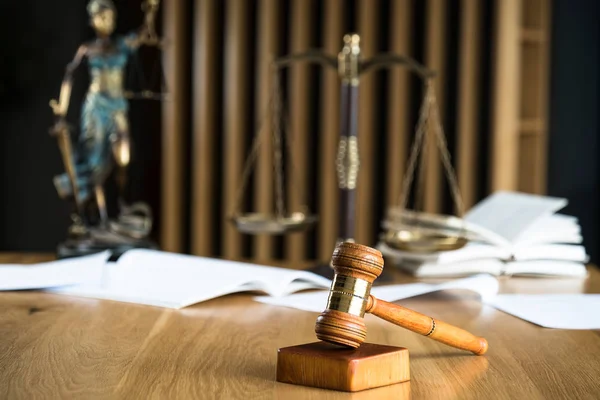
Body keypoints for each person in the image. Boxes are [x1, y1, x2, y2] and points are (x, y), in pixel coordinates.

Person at [49, 0, 158, 226]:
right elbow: (70, 75)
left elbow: (144, 33)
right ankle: (100, 216)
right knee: (96, 161)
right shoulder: (87, 49)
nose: (106, 21)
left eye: (109, 17)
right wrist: (62, 108)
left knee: (123, 158)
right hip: (96, 107)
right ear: (92, 20)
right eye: (101, 17)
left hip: (117, 107)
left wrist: (150, 11)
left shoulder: (121, 45)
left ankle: (119, 203)